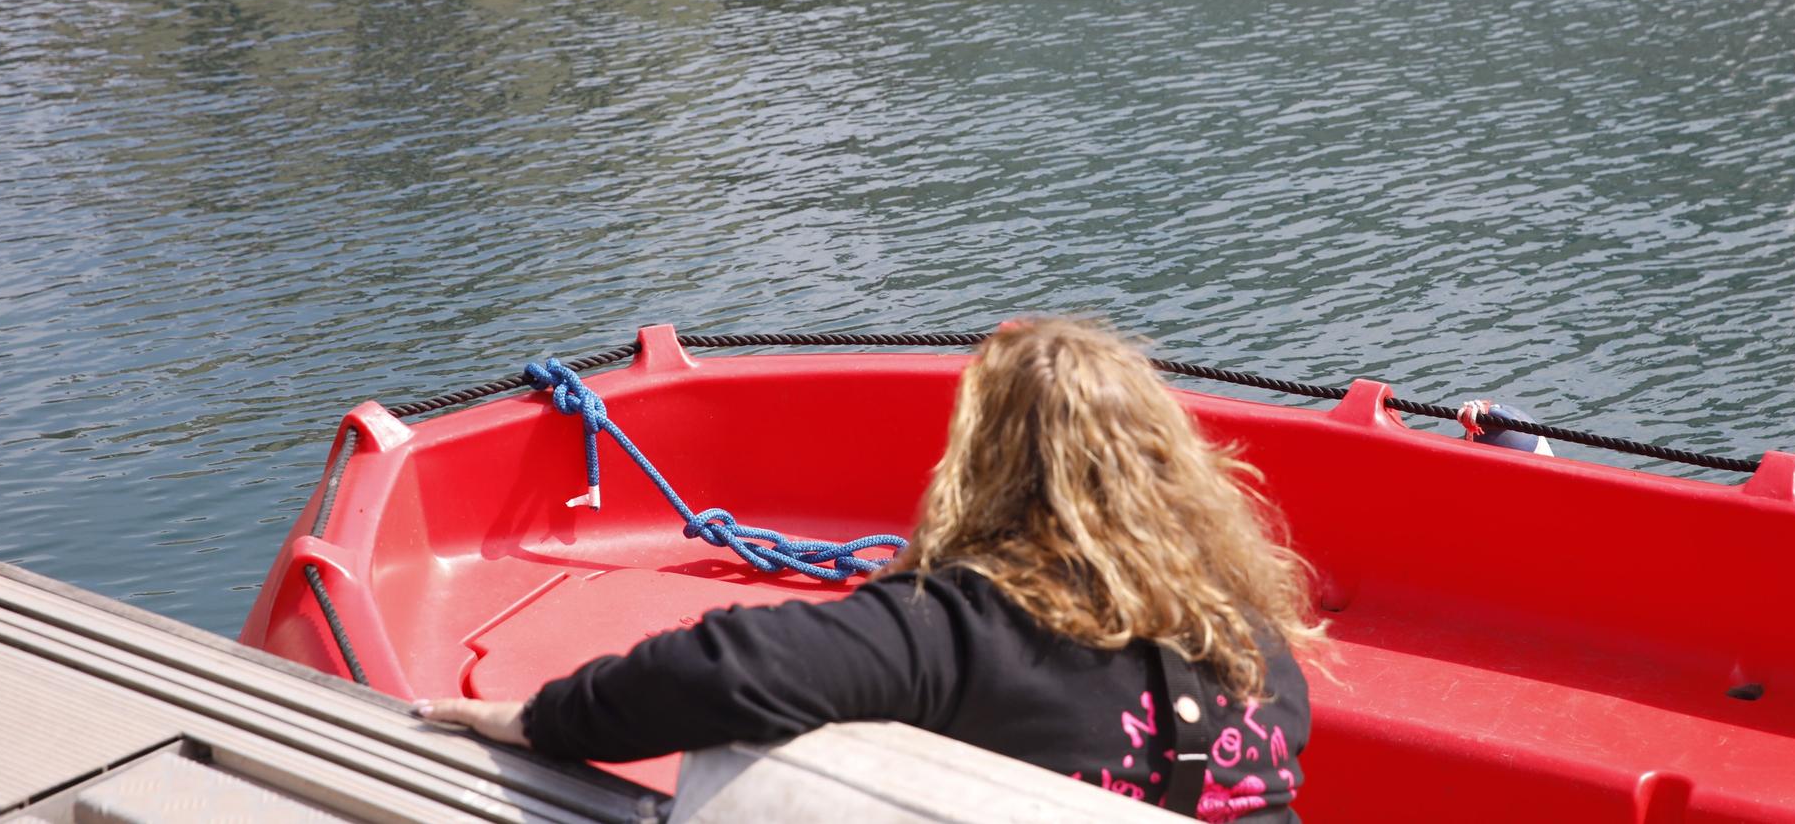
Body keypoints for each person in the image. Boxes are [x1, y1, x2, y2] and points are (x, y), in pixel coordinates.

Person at [419, 317, 1325, 821]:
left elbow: (719, 669)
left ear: (980, 466)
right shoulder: (1256, 651)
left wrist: (536, 718)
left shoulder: (960, 631)